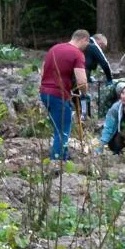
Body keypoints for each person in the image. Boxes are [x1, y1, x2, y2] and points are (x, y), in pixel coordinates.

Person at [40, 30, 92, 162]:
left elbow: (43, 69)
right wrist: (85, 94)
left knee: (58, 127)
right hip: (59, 94)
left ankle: (61, 154)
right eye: (88, 43)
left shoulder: (54, 48)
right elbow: (81, 81)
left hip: (45, 93)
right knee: (62, 130)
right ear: (84, 39)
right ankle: (57, 161)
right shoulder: (77, 54)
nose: (87, 46)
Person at [80, 32, 115, 119]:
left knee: (78, 92)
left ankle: (81, 114)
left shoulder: (82, 43)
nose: (102, 49)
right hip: (82, 72)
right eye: (103, 47)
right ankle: (84, 115)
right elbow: (104, 64)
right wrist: (109, 79)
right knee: (83, 93)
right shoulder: (94, 46)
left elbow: (86, 60)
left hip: (74, 71)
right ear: (100, 43)